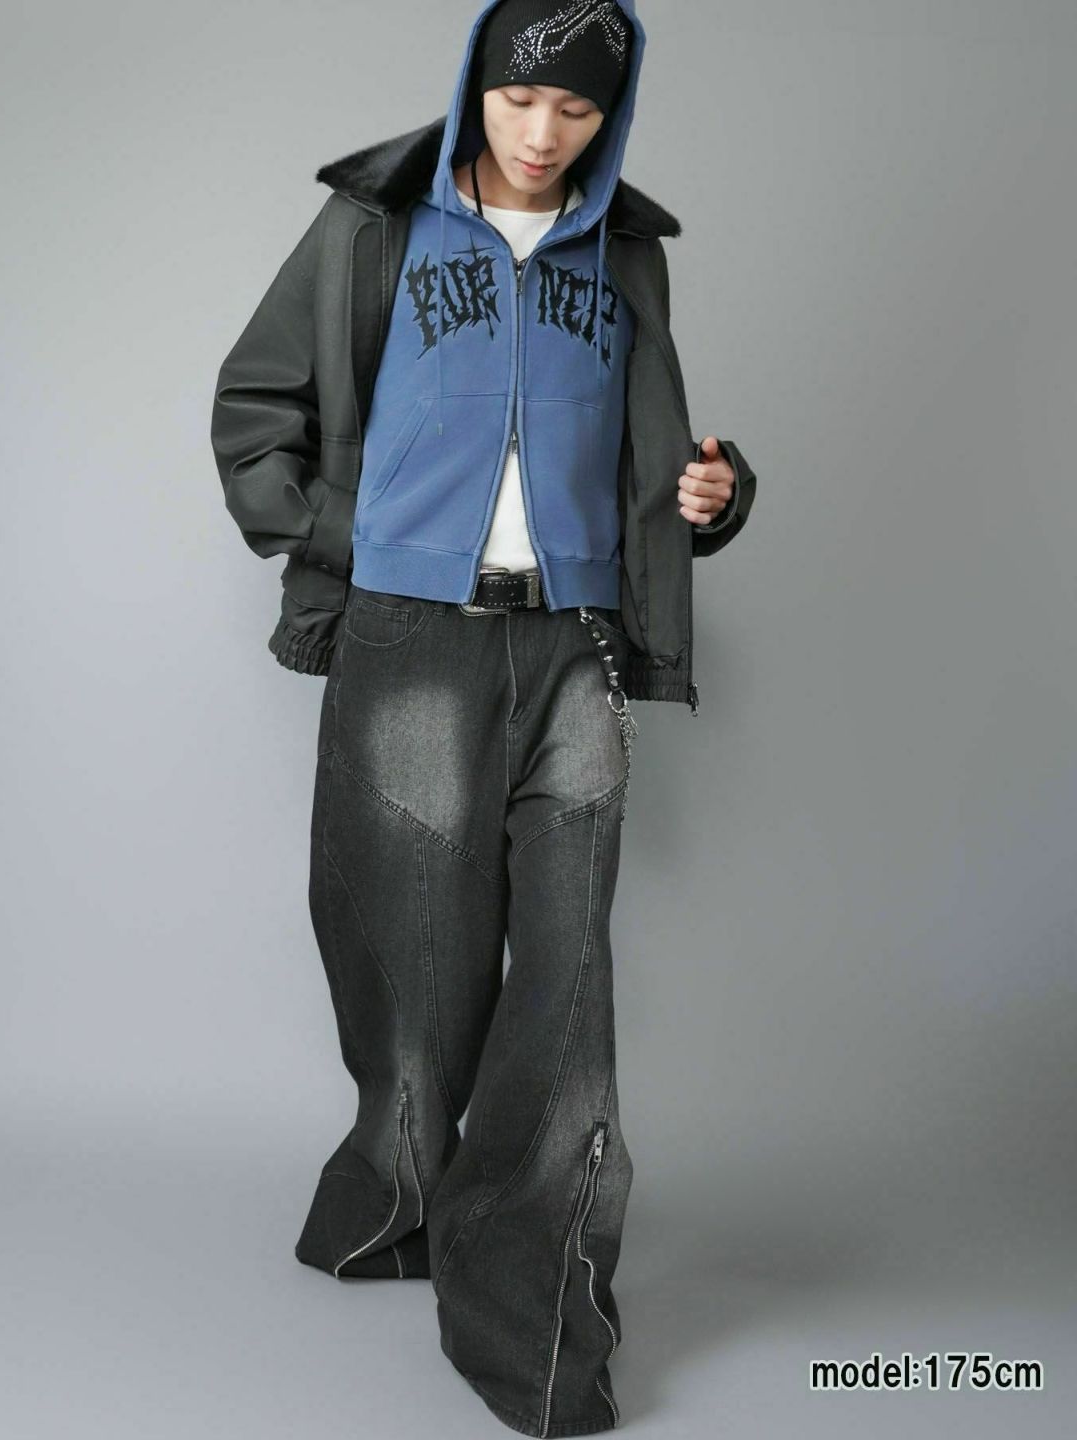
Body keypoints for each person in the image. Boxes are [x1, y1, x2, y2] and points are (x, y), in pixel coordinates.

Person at [210, 1, 757, 1433]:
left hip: (575, 641)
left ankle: (533, 1317)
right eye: (521, 101)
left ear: (609, 119)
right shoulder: (376, 227)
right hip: (411, 635)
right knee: (412, 961)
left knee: (566, 987)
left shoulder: (622, 252)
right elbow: (258, 403)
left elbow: (652, 450)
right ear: (476, 90)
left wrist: (715, 497)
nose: (542, 133)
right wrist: (345, 536)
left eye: (576, 110)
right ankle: (392, 1199)